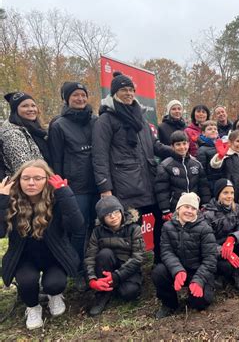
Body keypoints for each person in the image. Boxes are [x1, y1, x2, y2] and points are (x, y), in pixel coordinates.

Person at [92, 71, 171, 262]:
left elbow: (154, 145)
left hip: (150, 181)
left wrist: (175, 151)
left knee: (161, 221)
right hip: (126, 185)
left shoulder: (140, 118)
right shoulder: (106, 120)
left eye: (131, 89)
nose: (128, 93)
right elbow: (99, 155)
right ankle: (130, 268)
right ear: (114, 93)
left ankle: (160, 261)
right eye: (123, 90)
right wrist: (105, 188)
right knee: (132, 228)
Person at [0, 160, 82, 330]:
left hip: (54, 256)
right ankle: (32, 307)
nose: (31, 183)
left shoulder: (57, 198)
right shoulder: (11, 200)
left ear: (46, 180)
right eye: (26, 178)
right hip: (25, 258)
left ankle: (54, 295)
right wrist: (2, 200)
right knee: (27, 282)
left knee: (54, 284)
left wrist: (66, 194)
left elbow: (77, 225)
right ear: (18, 180)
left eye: (38, 178)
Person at [48, 82, 98, 290]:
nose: (80, 99)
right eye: (75, 95)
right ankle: (76, 269)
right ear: (67, 99)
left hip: (97, 181)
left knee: (97, 226)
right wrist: (60, 187)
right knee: (79, 229)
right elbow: (56, 158)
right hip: (75, 185)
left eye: (83, 95)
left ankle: (94, 265)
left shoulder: (95, 120)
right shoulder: (59, 125)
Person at [151, 192, 217, 319]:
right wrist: (177, 270)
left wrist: (199, 280)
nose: (189, 211)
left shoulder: (205, 228)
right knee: (158, 272)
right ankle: (169, 304)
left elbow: (210, 259)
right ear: (178, 208)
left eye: (193, 208)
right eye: (186, 207)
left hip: (197, 271)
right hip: (177, 269)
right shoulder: (167, 226)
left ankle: (199, 290)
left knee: (200, 302)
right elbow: (166, 251)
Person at [85, 196, 145, 316]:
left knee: (129, 293)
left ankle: (117, 287)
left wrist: (116, 276)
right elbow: (90, 256)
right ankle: (102, 294)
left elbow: (138, 258)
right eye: (108, 215)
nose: (113, 217)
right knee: (104, 254)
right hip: (106, 267)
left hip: (127, 269)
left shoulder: (134, 228)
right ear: (102, 218)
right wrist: (91, 279)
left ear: (121, 212)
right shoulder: (97, 231)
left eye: (116, 212)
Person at [202, 179, 239, 292]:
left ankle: (238, 273)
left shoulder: (237, 208)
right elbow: (206, 242)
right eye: (225, 193)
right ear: (218, 194)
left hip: (231, 244)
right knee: (225, 267)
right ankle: (221, 276)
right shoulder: (207, 213)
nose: (229, 196)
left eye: (232, 193)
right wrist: (223, 251)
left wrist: (232, 238)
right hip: (216, 250)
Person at [155, 130, 211, 221]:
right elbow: (162, 190)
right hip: (175, 209)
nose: (182, 147)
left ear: (188, 144)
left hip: (194, 208)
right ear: (172, 146)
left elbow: (203, 186)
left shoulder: (196, 164)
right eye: (178, 144)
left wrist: (205, 204)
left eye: (184, 143)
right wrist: (166, 210)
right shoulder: (165, 166)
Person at [0, 92, 50, 176]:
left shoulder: (36, 130)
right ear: (15, 110)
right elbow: (24, 167)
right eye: (25, 106)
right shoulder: (12, 134)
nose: (31, 109)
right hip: (27, 184)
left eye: (33, 106)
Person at [197, 120, 222, 193]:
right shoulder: (202, 150)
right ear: (203, 133)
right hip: (210, 184)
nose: (213, 131)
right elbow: (202, 172)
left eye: (215, 129)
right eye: (210, 129)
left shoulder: (221, 146)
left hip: (221, 182)